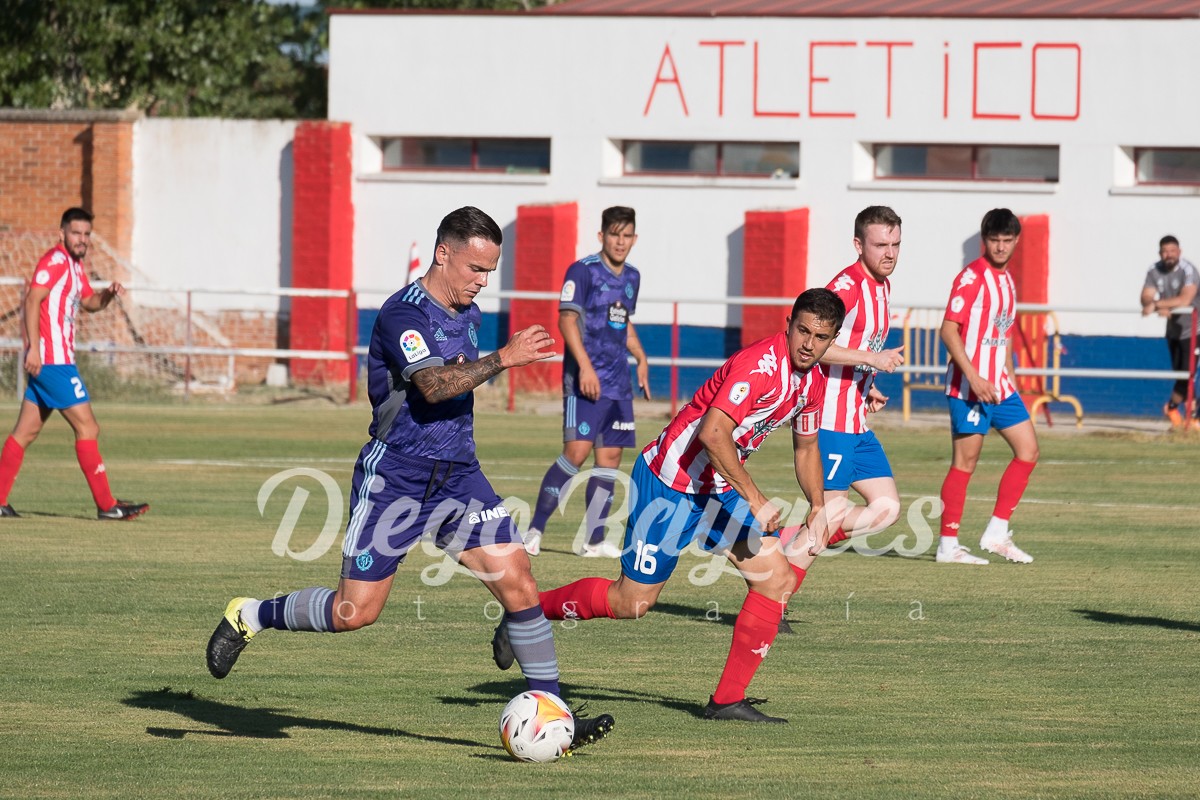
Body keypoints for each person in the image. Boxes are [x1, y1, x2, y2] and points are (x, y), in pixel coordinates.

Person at [205, 207, 614, 752]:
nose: (481, 282)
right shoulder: (403, 314)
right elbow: (433, 387)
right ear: (442, 254)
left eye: (490, 271)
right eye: (474, 268)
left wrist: (493, 358)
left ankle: (554, 714)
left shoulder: (465, 310)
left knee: (519, 579)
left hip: (457, 477)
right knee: (355, 612)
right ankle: (251, 613)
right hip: (395, 477)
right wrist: (504, 358)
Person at [494, 288, 847, 723]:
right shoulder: (760, 367)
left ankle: (726, 702)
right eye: (803, 331)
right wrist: (755, 498)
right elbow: (713, 435)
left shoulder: (813, 381)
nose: (809, 344)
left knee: (775, 580)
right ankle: (524, 615)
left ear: (832, 340)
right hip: (670, 484)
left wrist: (818, 505)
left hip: (718, 489)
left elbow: (807, 446)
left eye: (822, 337)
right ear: (789, 324)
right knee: (632, 603)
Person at [0, 208, 148, 521]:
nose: (81, 240)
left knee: (24, 433)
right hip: (53, 362)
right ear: (62, 233)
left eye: (86, 235)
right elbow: (31, 299)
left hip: (57, 361)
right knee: (88, 426)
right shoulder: (54, 261)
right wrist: (34, 349)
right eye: (76, 233)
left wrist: (107, 295)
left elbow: (90, 303)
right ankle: (108, 506)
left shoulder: (75, 266)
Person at [524, 206, 650, 559]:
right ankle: (534, 531)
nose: (620, 242)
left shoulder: (633, 277)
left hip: (618, 384)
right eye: (614, 234)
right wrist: (585, 368)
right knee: (575, 453)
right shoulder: (582, 272)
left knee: (609, 459)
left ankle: (593, 540)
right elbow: (566, 320)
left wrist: (641, 358)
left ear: (634, 239)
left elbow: (622, 323)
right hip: (585, 381)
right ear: (602, 236)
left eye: (627, 236)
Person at [795, 206, 907, 578]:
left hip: (856, 422)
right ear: (859, 245)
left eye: (895, 244)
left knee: (887, 508)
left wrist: (868, 384)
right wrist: (871, 359)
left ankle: (794, 540)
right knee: (826, 515)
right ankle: (771, 604)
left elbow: (854, 348)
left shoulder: (883, 285)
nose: (889, 253)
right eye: (880, 245)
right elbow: (814, 343)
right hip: (828, 422)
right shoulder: (846, 288)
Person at [936, 209, 1039, 565]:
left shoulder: (1008, 281)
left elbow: (1004, 335)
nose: (1000, 246)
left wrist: (1011, 377)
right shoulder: (970, 278)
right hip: (969, 387)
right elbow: (949, 330)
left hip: (1002, 387)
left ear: (1015, 241)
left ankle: (996, 532)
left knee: (1028, 451)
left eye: (1006, 240)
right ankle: (948, 545)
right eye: (994, 240)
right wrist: (975, 377)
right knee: (965, 463)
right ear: (985, 240)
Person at [1140, 235, 1199, 430]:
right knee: (1181, 375)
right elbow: (1145, 296)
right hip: (1173, 331)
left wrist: (1157, 305)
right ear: (1160, 253)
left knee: (1187, 374)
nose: (1169, 255)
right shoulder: (1154, 270)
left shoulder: (1188, 270)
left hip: (1194, 330)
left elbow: (1185, 300)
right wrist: (1154, 304)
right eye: (1165, 251)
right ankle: (1183, 417)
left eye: (1172, 251)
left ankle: (1181, 413)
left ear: (1179, 252)